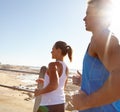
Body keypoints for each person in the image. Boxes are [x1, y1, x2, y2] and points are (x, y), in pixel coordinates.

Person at [72, 0, 120, 111]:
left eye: (88, 13)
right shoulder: (98, 39)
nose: (84, 18)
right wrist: (85, 81)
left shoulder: (102, 37)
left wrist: (84, 102)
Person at [34, 41, 73, 112]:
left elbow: (54, 85)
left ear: (58, 51)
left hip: (48, 105)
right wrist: (44, 81)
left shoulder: (52, 65)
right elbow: (61, 86)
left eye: (53, 49)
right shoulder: (66, 68)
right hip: (60, 103)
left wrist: (40, 92)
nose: (51, 52)